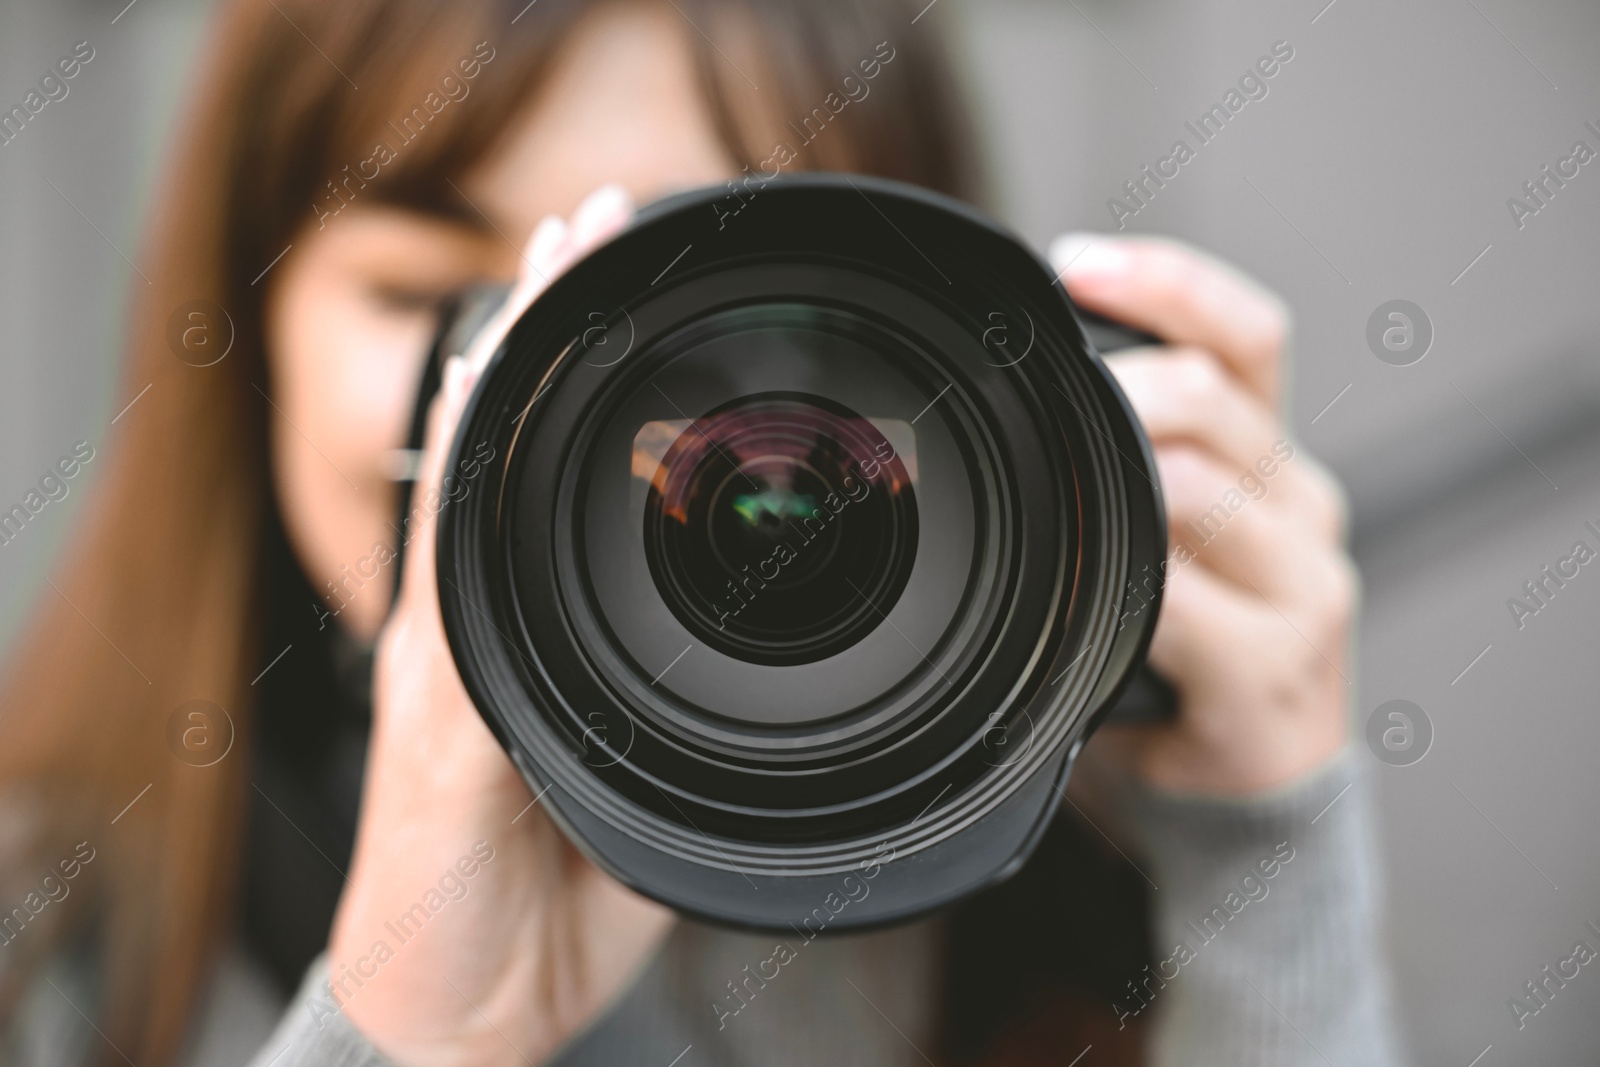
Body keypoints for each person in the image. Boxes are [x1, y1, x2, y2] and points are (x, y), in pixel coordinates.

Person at [0, 0, 1400, 1064]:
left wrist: (1260, 870)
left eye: (693, 308)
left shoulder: (1052, 881)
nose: (532, 407)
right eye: (439, 290)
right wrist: (404, 1028)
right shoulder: (44, 940)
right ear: (252, 331)